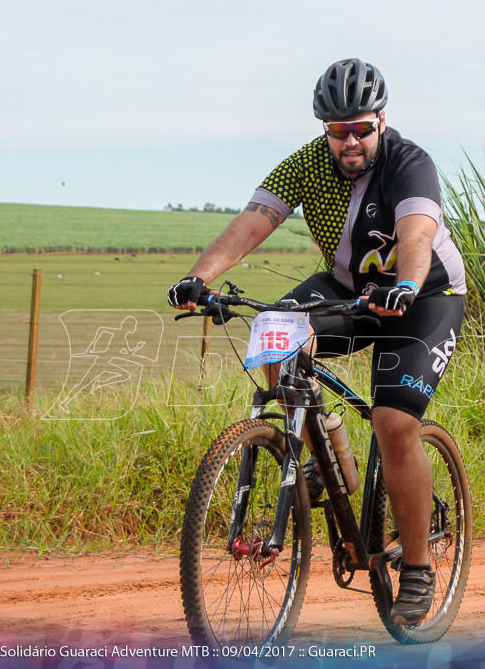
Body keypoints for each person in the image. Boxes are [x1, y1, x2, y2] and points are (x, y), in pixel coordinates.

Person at [168, 58, 467, 625]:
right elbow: (253, 221)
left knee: (394, 422)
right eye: (338, 131)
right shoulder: (308, 164)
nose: (350, 141)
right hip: (351, 291)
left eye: (361, 128)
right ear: (323, 130)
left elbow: (416, 232)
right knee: (273, 331)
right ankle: (324, 450)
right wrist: (199, 277)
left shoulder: (409, 164)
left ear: (382, 120)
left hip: (425, 296)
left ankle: (419, 568)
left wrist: (404, 283)